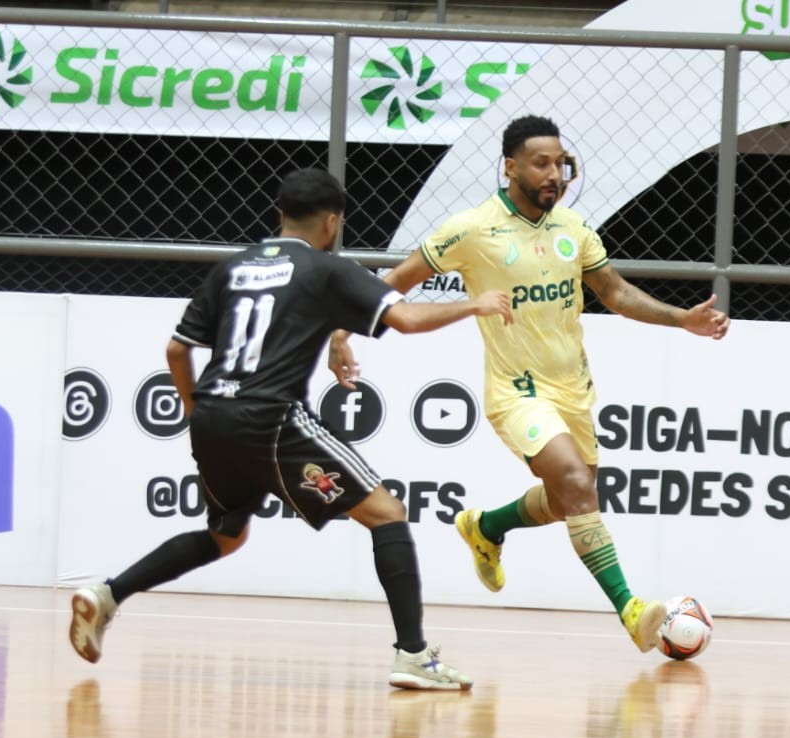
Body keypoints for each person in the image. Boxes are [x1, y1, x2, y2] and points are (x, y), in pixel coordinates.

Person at [68, 167, 513, 690]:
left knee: (225, 535)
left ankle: (108, 594)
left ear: (281, 215)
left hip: (212, 416)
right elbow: (407, 320)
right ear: (332, 222)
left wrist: (198, 413)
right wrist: (475, 303)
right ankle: (413, 655)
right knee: (387, 513)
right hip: (271, 417)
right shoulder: (326, 268)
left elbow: (176, 350)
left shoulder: (233, 268)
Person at [328, 115, 730, 653]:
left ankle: (487, 527)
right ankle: (630, 608)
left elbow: (615, 292)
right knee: (576, 483)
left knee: (568, 501)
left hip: (574, 389)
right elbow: (393, 284)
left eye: (560, 163)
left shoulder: (574, 229)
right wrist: (341, 331)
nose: (554, 174)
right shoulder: (472, 229)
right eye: (541, 163)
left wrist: (682, 319)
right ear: (510, 167)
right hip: (516, 391)